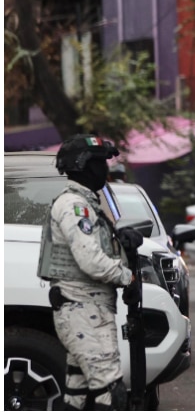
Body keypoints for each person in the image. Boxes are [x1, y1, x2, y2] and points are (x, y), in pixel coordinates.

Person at [38, 134, 141, 410]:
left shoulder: (87, 203)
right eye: (100, 163)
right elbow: (91, 261)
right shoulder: (75, 205)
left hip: (86, 310)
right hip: (84, 310)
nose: (105, 170)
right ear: (85, 165)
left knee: (77, 396)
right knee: (110, 393)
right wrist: (126, 277)